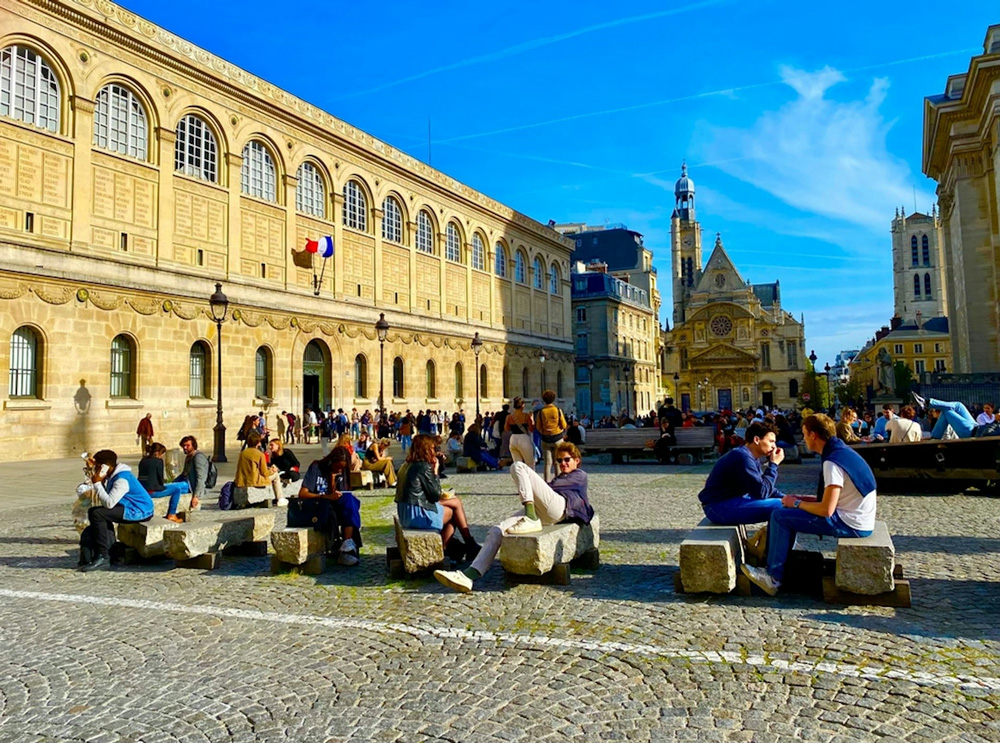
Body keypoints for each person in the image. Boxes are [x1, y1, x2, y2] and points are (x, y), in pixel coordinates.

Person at [742, 414, 877, 595]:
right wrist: (802, 500)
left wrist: (797, 503)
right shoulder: (841, 452)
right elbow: (835, 499)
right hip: (858, 517)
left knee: (779, 516)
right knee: (786, 511)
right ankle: (779, 565)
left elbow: (826, 510)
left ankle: (772, 578)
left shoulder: (832, 462)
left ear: (813, 435)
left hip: (851, 523)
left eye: (805, 434)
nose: (803, 439)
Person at [434, 441, 594, 593]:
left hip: (561, 508)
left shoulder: (580, 475)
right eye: (559, 460)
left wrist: (532, 484)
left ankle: (530, 517)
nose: (563, 463)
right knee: (497, 530)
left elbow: (548, 489)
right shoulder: (559, 478)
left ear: (577, 461)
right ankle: (470, 575)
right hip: (544, 511)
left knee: (518, 466)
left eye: (567, 459)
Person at [395, 434, 480, 562]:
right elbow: (435, 495)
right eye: (433, 448)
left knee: (455, 503)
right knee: (454, 510)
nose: (434, 452)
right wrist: (435, 471)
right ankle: (455, 547)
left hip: (406, 511)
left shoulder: (406, 465)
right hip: (417, 515)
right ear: (426, 449)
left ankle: (466, 545)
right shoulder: (422, 467)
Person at [697, 420, 785, 525]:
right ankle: (774, 541)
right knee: (782, 506)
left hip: (725, 503)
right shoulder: (742, 457)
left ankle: (773, 541)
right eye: (771, 441)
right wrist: (774, 464)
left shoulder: (749, 456)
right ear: (757, 440)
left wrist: (788, 497)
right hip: (718, 507)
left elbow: (762, 486)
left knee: (786, 503)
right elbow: (762, 492)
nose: (774, 446)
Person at [80, 449, 154, 571]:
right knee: (95, 512)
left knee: (98, 514)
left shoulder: (121, 479)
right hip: (129, 507)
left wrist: (97, 483)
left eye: (98, 467)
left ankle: (103, 556)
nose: (96, 470)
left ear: (105, 467)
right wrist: (102, 482)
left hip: (139, 511)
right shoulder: (113, 476)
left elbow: (109, 503)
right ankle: (109, 550)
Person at [296, 447, 362, 566]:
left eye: (342, 467)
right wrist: (326, 496)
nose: (340, 469)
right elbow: (302, 493)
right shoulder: (316, 467)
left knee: (350, 501)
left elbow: (340, 494)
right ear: (331, 461)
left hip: (334, 504)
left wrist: (333, 480)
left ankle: (347, 543)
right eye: (338, 467)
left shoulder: (342, 472)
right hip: (317, 505)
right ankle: (345, 552)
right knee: (338, 510)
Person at [137, 442, 190, 523]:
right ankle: (172, 514)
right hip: (153, 491)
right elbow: (160, 480)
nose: (163, 456)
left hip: (143, 490)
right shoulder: (158, 461)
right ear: (157, 453)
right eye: (162, 454)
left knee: (172, 486)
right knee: (177, 489)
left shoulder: (143, 461)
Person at [234, 431, 286, 506]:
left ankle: (280, 499)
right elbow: (264, 473)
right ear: (258, 443)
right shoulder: (259, 454)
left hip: (243, 480)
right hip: (255, 481)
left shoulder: (243, 453)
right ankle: (280, 499)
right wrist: (272, 470)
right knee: (276, 475)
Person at [913, 393, 980, 439]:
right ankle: (925, 402)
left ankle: (935, 437)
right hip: (976, 426)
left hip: (973, 432)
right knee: (959, 405)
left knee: (946, 411)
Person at [536, 390, 568, 482]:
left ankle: (547, 482)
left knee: (547, 463)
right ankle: (558, 481)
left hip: (545, 439)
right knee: (557, 462)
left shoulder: (541, 411)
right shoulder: (557, 410)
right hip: (557, 438)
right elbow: (564, 425)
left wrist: (545, 431)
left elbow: (538, 426)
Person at [178, 435, 208, 510]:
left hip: (191, 487)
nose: (185, 447)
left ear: (193, 445)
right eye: (184, 445)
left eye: (187, 445)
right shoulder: (189, 456)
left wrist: (196, 496)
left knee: (175, 488)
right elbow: (184, 473)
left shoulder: (198, 457)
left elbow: (201, 478)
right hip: (186, 483)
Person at [505, 397, 535, 466]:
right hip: (523, 438)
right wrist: (532, 420)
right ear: (522, 405)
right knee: (530, 463)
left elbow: (506, 429)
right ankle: (529, 477)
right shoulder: (526, 416)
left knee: (517, 465)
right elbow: (531, 429)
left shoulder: (509, 417)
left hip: (513, 438)